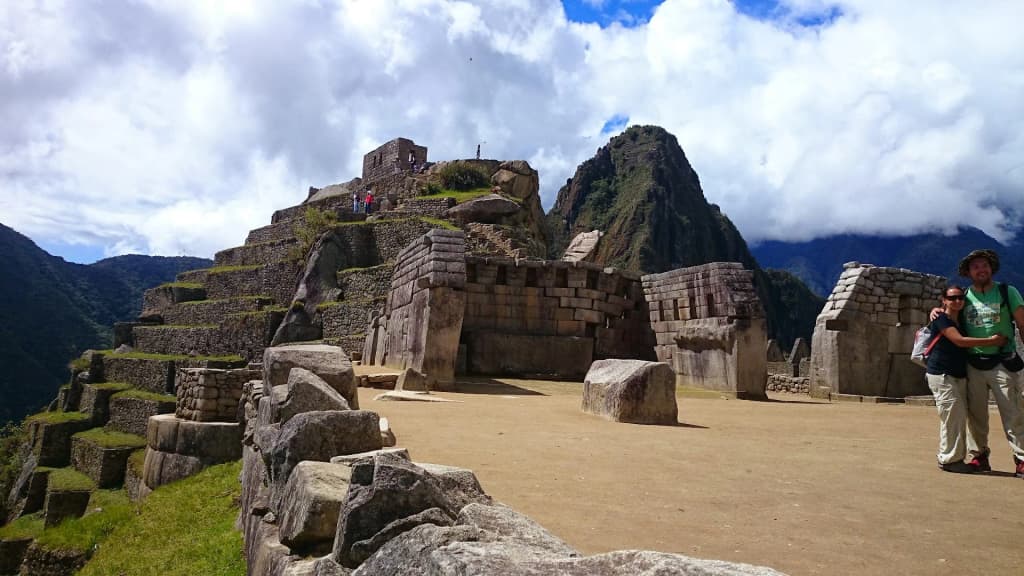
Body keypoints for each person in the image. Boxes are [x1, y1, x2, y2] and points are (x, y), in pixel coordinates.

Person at [955, 249, 1024, 477]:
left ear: (991, 268)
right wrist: (936, 311)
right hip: (973, 363)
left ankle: (1021, 458)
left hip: (1002, 362)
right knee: (976, 414)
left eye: (984, 265)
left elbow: (1022, 324)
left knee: (1013, 412)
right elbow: (949, 314)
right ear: (968, 272)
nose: (980, 270)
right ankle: (979, 456)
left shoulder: (1007, 292)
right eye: (975, 267)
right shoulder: (963, 298)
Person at [925, 285, 1007, 473]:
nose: (957, 301)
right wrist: (992, 341)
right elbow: (959, 341)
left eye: (960, 298)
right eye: (952, 298)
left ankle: (952, 457)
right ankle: (950, 460)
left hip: (958, 375)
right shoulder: (942, 319)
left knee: (955, 416)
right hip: (942, 374)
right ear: (943, 300)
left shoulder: (960, 319)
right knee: (953, 417)